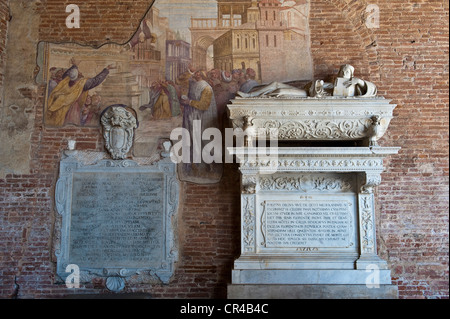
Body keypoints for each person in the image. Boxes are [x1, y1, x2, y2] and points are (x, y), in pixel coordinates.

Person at [45, 58, 115, 127]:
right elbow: (96, 80)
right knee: (72, 126)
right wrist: (107, 69)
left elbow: (68, 73)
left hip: (60, 109)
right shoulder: (81, 84)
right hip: (73, 110)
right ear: (78, 75)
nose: (80, 72)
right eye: (79, 72)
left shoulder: (66, 79)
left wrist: (74, 65)